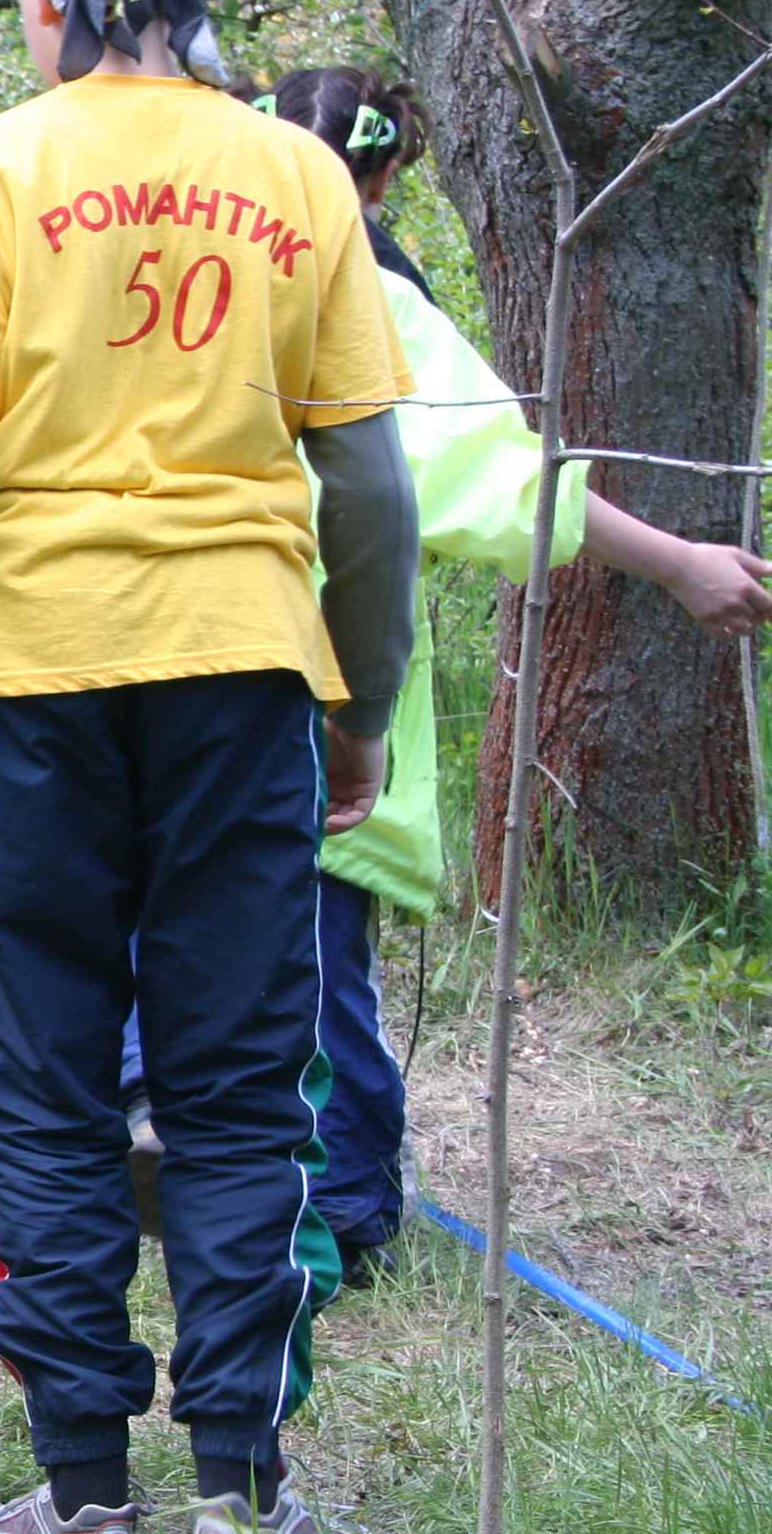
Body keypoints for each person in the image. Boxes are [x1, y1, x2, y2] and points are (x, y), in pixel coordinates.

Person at [0, 0, 423, 1534]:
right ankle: (243, 1498)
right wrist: (360, 698)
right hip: (242, 671)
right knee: (242, 1080)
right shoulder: (296, 176)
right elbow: (369, 490)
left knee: (45, 1075)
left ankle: (83, 1501)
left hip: (25, 685)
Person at [122, 67, 772, 1284]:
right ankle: (323, 1205)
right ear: (377, 182)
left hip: (174, 686)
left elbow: (490, 478)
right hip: (288, 696)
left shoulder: (176, 274)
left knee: (196, 946)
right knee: (302, 973)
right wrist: (683, 562)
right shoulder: (342, 294)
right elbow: (503, 481)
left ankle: (251, 1178)